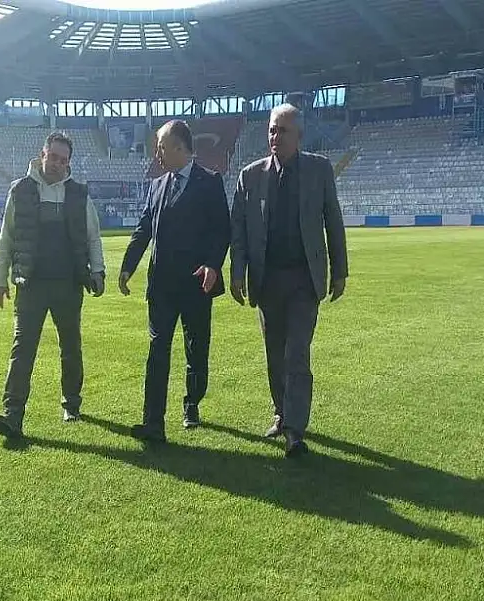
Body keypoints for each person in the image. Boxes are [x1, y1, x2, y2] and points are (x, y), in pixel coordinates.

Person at [229, 103, 349, 458]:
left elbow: (333, 220)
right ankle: (281, 413)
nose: (274, 137)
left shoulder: (319, 170)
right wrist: (237, 272)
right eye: (271, 130)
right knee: (275, 355)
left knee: (297, 353)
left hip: (303, 280)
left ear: (299, 135)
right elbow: (238, 229)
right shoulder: (250, 175)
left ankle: (295, 430)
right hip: (267, 281)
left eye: (282, 131)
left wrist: (340, 270)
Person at [120, 120, 231, 443]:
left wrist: (213, 264)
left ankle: (192, 403)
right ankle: (153, 422)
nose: (157, 153)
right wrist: (128, 266)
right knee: (157, 350)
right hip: (162, 287)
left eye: (162, 147)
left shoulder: (210, 182)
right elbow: (144, 229)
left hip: (197, 284)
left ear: (181, 148)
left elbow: (221, 229)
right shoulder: (156, 185)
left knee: (196, 350)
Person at [0, 132, 106, 439]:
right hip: (30, 285)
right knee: (22, 349)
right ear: (42, 155)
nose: (57, 163)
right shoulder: (20, 190)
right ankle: (12, 415)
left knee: (70, 347)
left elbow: (93, 236)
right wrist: (0, 279)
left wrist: (98, 271)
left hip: (69, 284)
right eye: (52, 157)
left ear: (69, 162)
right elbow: (7, 238)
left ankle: (71, 402)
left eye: (63, 159)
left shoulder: (79, 194)